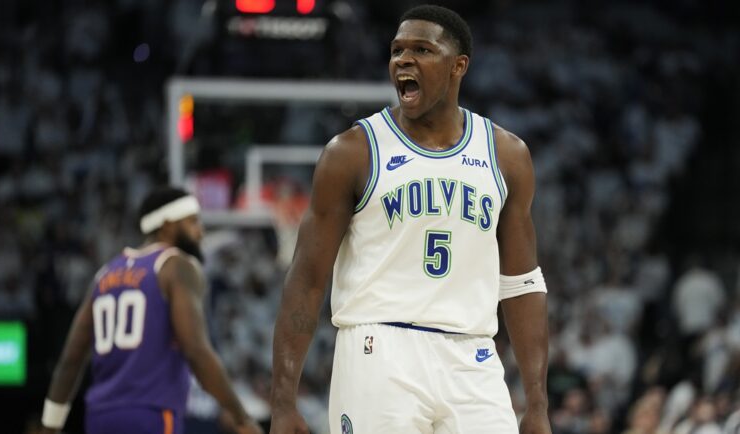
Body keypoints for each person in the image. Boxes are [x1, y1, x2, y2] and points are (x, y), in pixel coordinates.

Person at [270, 5, 551, 434]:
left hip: (472, 355)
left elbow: (521, 282)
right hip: (379, 349)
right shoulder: (352, 152)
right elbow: (307, 277)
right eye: (397, 50)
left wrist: (537, 402)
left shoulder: (507, 155)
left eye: (422, 49)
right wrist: (283, 401)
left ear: (458, 66)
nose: (404, 59)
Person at [40, 187, 263, 434]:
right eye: (192, 222)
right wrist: (241, 417)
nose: (200, 231)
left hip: (100, 417)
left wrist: (50, 426)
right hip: (150, 413)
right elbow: (196, 351)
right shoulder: (175, 265)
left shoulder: (105, 274)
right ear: (168, 226)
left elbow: (70, 360)